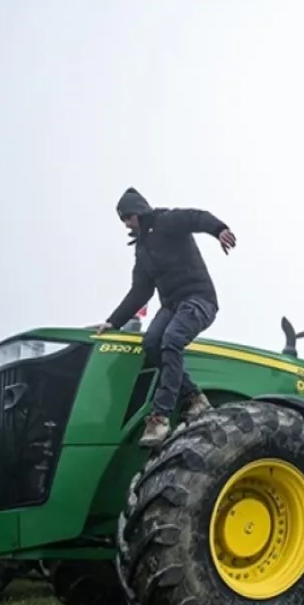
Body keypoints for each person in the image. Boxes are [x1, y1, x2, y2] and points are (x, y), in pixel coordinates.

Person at [93, 187, 237, 448]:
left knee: (172, 338)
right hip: (171, 305)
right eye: (123, 220)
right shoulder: (142, 251)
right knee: (151, 343)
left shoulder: (166, 221)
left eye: (129, 217)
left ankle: (160, 417)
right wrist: (113, 321)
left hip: (199, 299)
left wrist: (219, 230)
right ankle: (194, 398)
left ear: (139, 211)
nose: (127, 223)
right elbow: (140, 291)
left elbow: (196, 217)